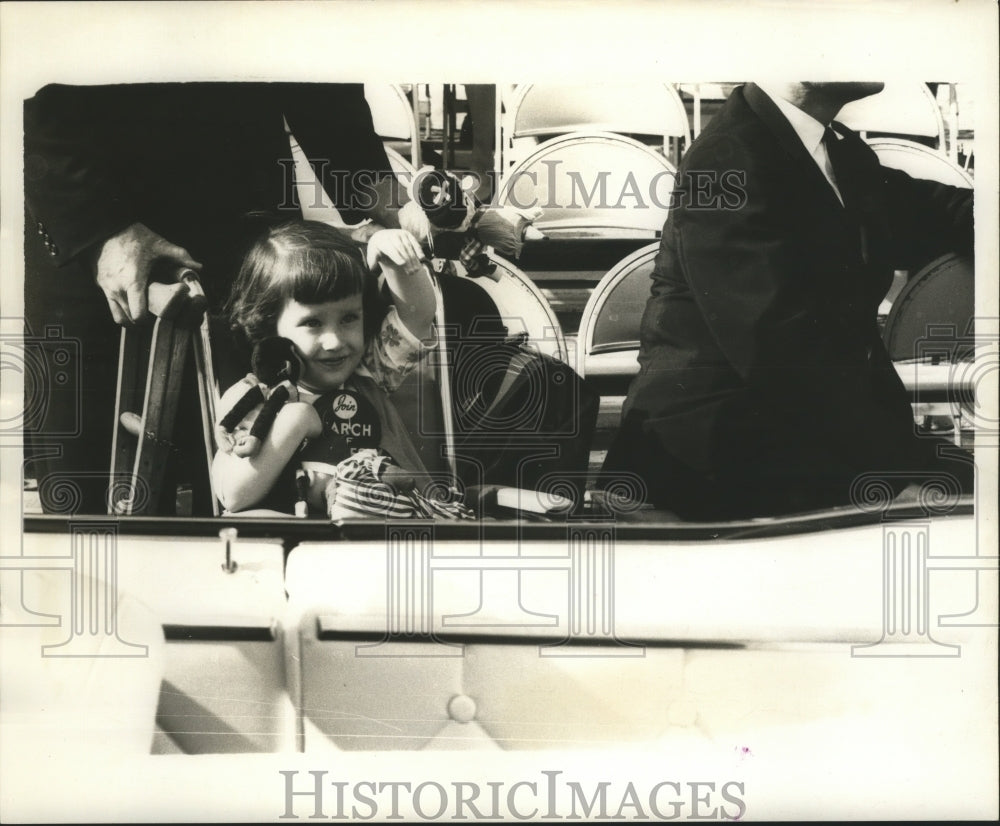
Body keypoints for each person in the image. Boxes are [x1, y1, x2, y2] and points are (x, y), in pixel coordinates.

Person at [23, 82, 402, 514]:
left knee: (248, 517)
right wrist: (100, 230)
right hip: (99, 239)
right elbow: (32, 82)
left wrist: (397, 208)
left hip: (247, 236)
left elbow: (324, 91)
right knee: (93, 506)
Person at [602, 82, 974, 520]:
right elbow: (782, 352)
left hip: (799, 435)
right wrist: (893, 477)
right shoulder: (725, 162)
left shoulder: (832, 147)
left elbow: (931, 211)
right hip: (717, 463)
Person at [212, 220, 438, 516]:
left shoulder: (368, 374)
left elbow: (419, 314)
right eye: (312, 323)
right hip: (291, 546)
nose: (334, 342)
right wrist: (297, 422)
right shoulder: (253, 398)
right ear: (270, 326)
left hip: (369, 541)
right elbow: (233, 495)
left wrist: (392, 258)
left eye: (348, 318)